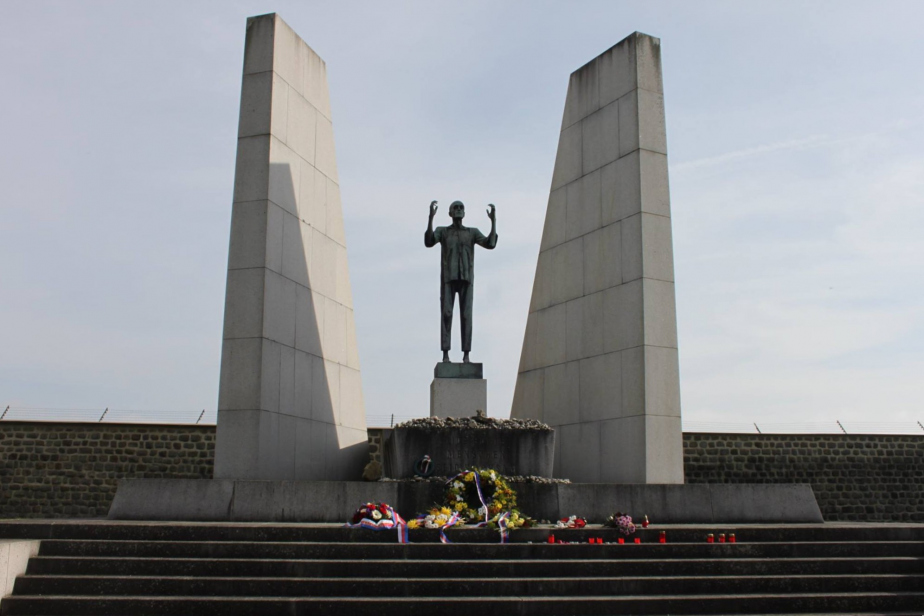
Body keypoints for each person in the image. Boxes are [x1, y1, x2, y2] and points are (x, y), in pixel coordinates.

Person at [424, 200, 497, 363]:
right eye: (455, 208)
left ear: (464, 213)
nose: (458, 210)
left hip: (466, 279)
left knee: (466, 316)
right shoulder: (443, 232)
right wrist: (430, 219)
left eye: (461, 208)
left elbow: (490, 243)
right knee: (447, 314)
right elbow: (429, 241)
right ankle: (445, 354)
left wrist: (493, 222)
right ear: (450, 213)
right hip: (448, 279)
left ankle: (466, 355)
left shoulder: (472, 232)